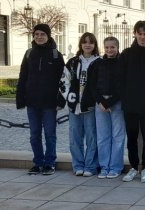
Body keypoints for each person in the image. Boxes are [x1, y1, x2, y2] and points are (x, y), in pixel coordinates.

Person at [17, 23, 65, 175]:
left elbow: (63, 80)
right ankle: (38, 162)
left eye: (42, 34)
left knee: (50, 134)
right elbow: (23, 76)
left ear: (48, 36)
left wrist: (60, 101)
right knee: (34, 134)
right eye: (36, 34)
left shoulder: (56, 55)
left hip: (49, 103)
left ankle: (50, 162)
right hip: (32, 101)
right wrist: (20, 98)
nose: (39, 37)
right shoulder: (29, 53)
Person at [119, 21, 145, 183]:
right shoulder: (126, 54)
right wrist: (125, 98)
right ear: (134, 34)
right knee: (132, 138)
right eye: (140, 33)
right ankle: (134, 167)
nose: (142, 37)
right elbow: (120, 78)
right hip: (130, 104)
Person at [60, 32, 100, 177]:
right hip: (74, 105)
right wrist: (69, 97)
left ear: (95, 45)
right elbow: (64, 80)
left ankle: (90, 165)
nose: (87, 45)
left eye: (90, 42)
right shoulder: (72, 62)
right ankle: (78, 165)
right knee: (75, 137)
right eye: (85, 42)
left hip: (90, 106)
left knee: (91, 137)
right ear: (81, 44)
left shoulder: (99, 62)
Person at [91, 36, 125, 179]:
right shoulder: (97, 63)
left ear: (117, 48)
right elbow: (92, 85)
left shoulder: (123, 63)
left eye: (112, 47)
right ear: (103, 48)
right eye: (107, 47)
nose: (110, 50)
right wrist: (101, 102)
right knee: (102, 137)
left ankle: (115, 167)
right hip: (100, 103)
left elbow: (123, 85)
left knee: (118, 136)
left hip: (117, 102)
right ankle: (104, 166)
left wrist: (109, 102)